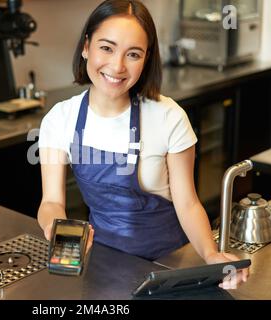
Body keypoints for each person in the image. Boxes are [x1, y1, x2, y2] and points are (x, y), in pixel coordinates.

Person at [37, 0, 249, 289]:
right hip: (103, 263)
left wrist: (211, 255)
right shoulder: (60, 119)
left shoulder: (168, 116)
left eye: (133, 54)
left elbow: (187, 203)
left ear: (147, 59)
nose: (117, 66)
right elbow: (51, 202)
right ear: (86, 46)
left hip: (170, 265)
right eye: (106, 48)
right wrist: (58, 228)